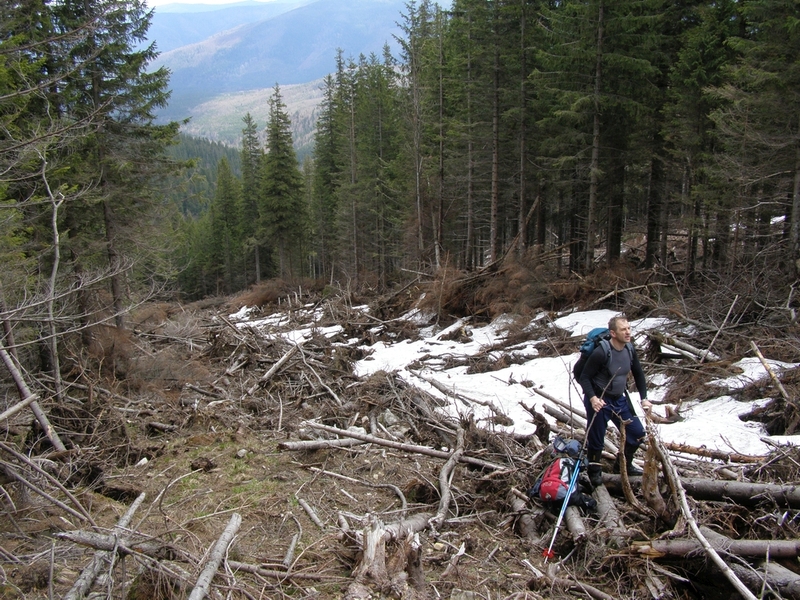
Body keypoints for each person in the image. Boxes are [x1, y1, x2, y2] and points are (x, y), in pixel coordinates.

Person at [578, 315, 651, 487]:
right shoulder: (602, 352)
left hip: (619, 400)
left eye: (629, 328)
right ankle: (594, 471)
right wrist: (593, 398)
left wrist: (644, 398)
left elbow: (639, 374)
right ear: (613, 333)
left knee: (637, 434)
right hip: (599, 400)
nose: (628, 332)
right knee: (597, 437)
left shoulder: (629, 349)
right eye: (623, 329)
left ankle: (622, 465)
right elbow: (584, 377)